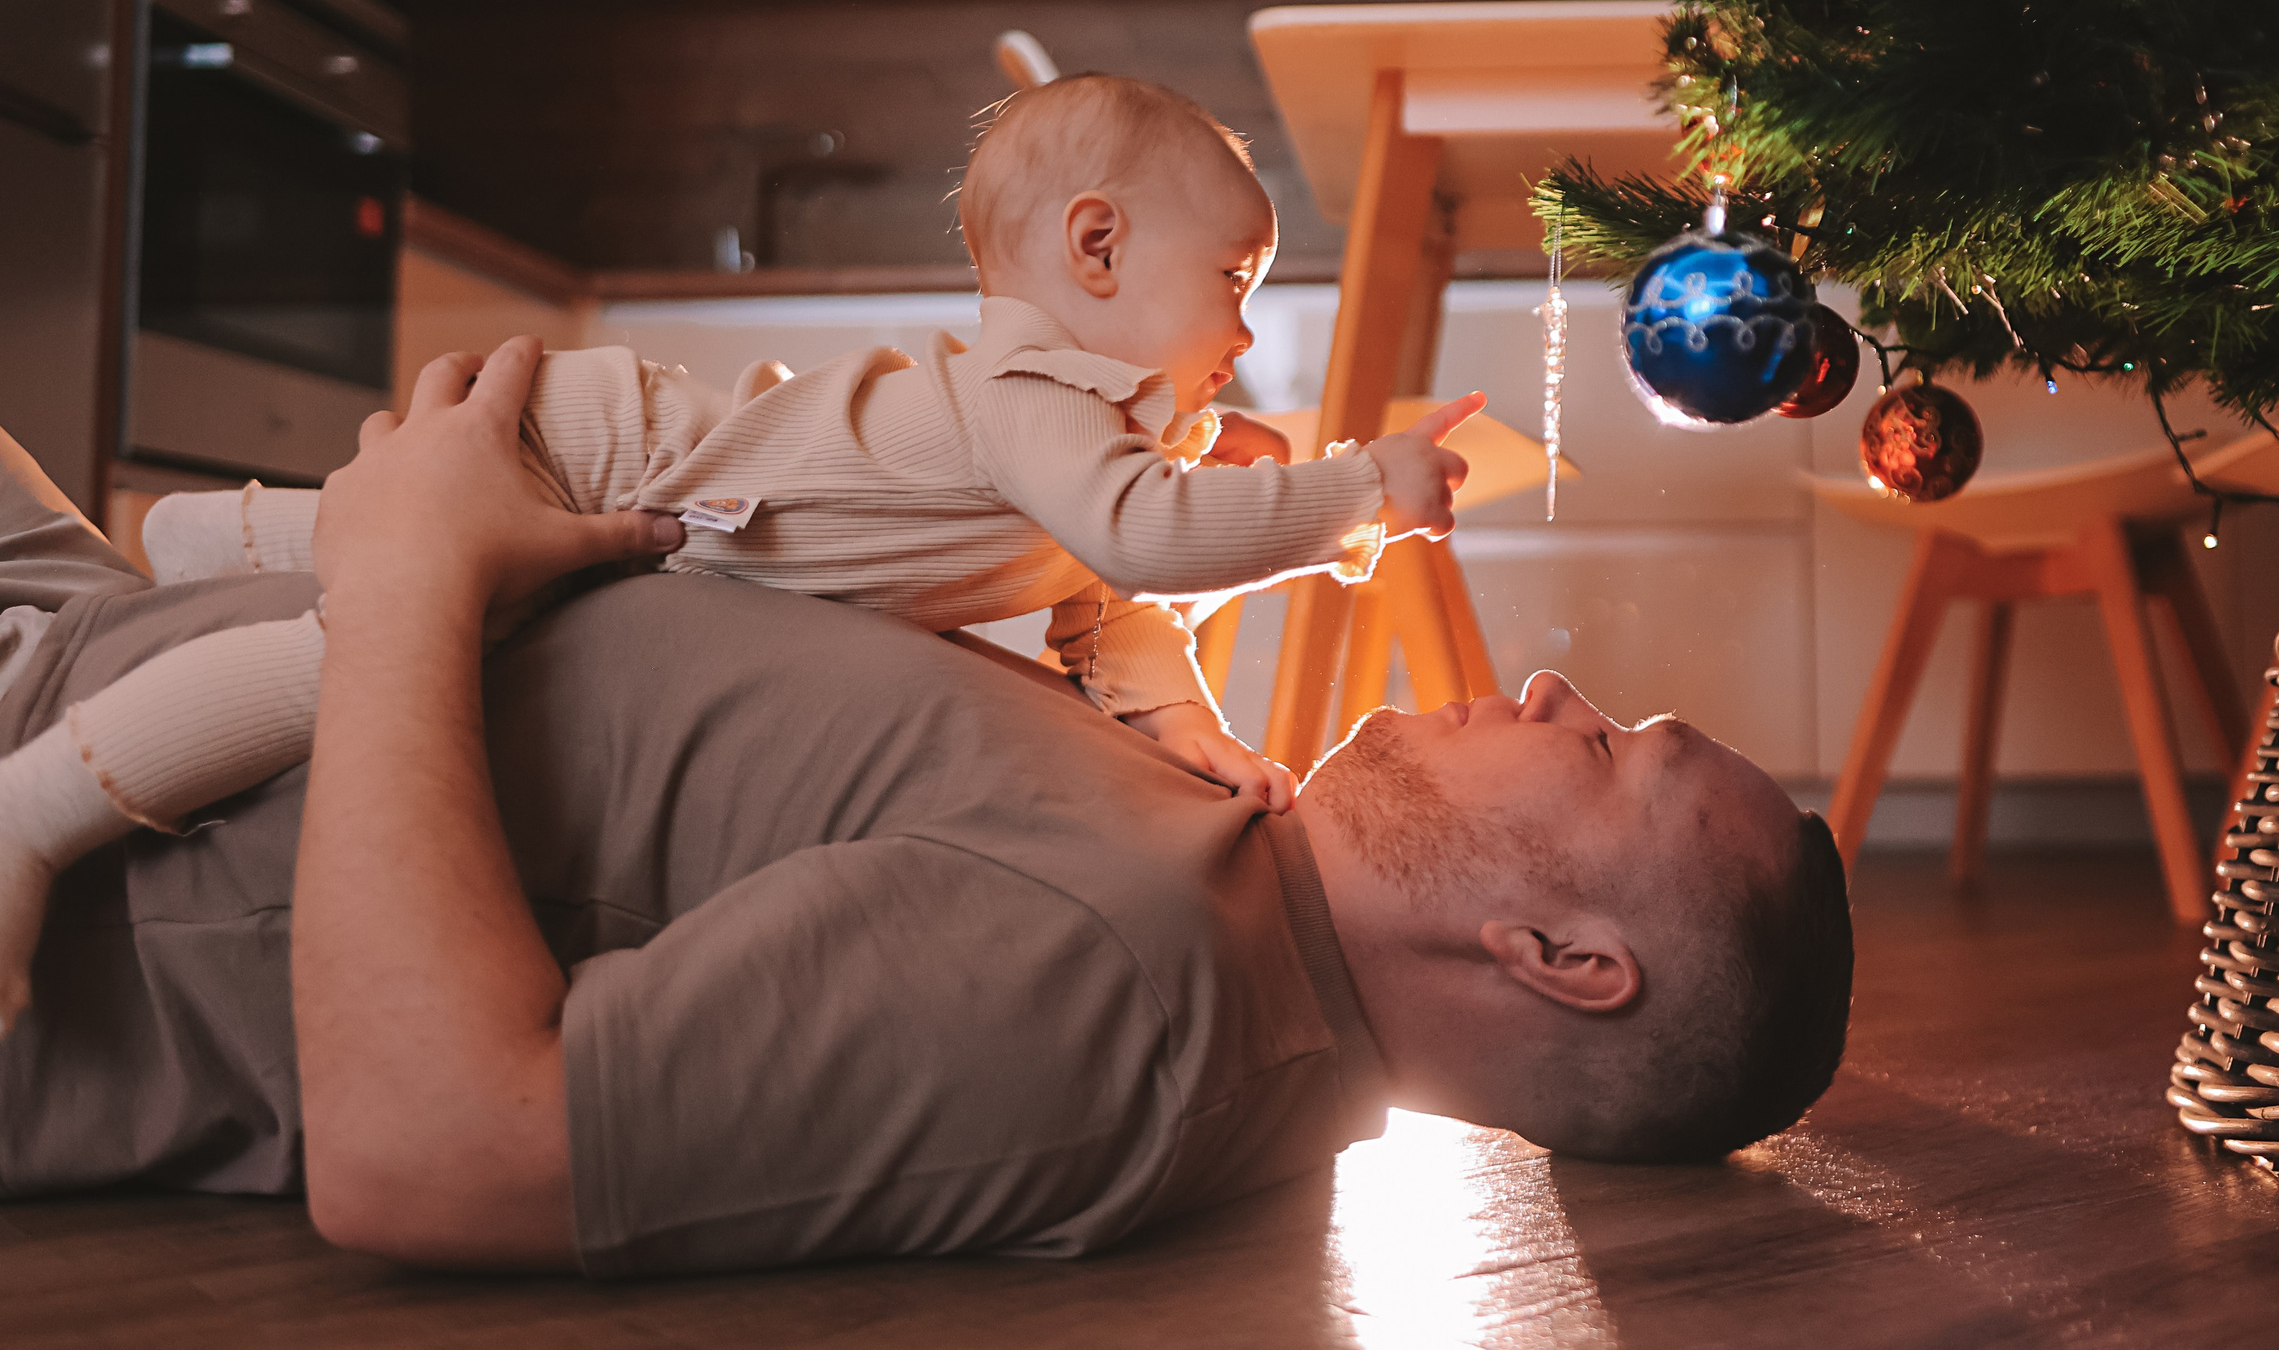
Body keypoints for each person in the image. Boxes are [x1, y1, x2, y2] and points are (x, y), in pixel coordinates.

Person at [0, 340, 1854, 1272]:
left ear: (1555, 957)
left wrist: (410, 571)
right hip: (104, 634)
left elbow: (435, 1151)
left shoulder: (1120, 982)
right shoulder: (1214, 837)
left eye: (1606, 749)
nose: (1549, 689)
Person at [0, 74, 1487, 1030]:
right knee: (364, 655)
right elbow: (1143, 543)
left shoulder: (1076, 442)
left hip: (647, 474)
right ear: (1094, 252)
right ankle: (33, 817)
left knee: (362, 599)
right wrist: (1366, 488)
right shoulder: (1043, 398)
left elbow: (1106, 613)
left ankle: (218, 538)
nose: (1240, 329)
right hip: (608, 460)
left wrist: (1193, 737)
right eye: (1230, 280)